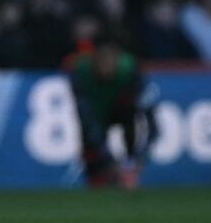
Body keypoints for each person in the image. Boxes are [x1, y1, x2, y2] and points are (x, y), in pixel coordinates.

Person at [66, 33, 157, 188]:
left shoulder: (131, 71)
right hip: (96, 113)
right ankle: (100, 180)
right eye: (102, 58)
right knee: (91, 149)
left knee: (130, 118)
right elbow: (88, 120)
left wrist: (140, 159)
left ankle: (129, 166)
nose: (106, 63)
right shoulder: (81, 71)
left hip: (121, 111)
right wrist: (110, 160)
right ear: (94, 58)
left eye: (111, 58)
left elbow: (152, 124)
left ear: (118, 57)